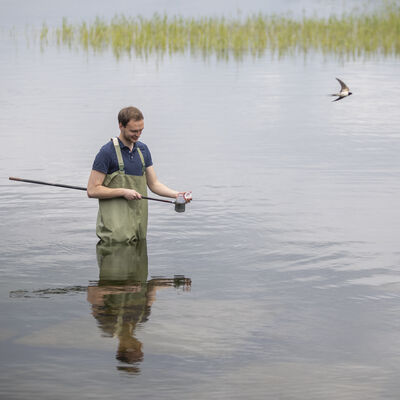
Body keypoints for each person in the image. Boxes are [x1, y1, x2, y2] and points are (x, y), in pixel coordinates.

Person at [87, 106, 191, 244]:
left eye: (141, 130)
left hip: (139, 229)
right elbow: (92, 190)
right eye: (133, 131)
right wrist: (123, 192)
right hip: (115, 235)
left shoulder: (143, 149)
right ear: (121, 126)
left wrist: (177, 195)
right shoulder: (106, 153)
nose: (138, 134)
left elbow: (154, 184)